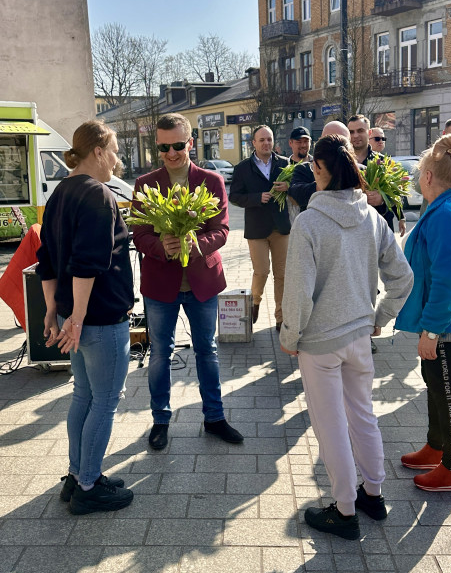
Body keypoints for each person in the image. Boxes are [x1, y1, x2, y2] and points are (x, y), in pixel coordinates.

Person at [280, 135, 414, 539]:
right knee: (363, 415)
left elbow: (298, 291)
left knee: (330, 425)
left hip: (319, 343)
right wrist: (380, 316)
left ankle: (344, 510)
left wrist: (290, 334)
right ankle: (373, 494)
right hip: (359, 335)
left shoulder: (308, 222)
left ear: (319, 169)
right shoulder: (372, 217)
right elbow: (403, 277)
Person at [36, 120, 135, 515]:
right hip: (100, 320)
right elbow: (87, 264)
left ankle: (78, 475)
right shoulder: (97, 194)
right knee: (105, 401)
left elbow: (46, 261)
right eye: (113, 151)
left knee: (84, 396)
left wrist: (54, 310)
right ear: (97, 151)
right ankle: (88, 487)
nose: (117, 159)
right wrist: (75, 317)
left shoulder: (61, 191)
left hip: (77, 318)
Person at [132, 113, 243, 451]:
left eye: (178, 145)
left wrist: (198, 245)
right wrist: (160, 247)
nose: (171, 153)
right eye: (163, 147)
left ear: (190, 142)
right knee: (160, 354)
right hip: (161, 285)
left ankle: (214, 417)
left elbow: (221, 230)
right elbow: (138, 234)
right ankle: (160, 420)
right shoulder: (145, 184)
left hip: (202, 283)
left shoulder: (211, 181)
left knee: (207, 351)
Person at [395, 133, 451, 492]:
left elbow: (448, 279)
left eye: (419, 173)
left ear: (428, 176)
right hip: (441, 318)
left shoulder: (446, 212)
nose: (416, 180)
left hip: (444, 322)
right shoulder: (447, 205)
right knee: (435, 385)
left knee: (446, 391)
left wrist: (431, 331)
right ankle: (436, 446)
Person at [229, 125, 291, 330]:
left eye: (269, 139)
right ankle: (256, 301)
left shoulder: (285, 163)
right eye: (262, 140)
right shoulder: (242, 168)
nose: (266, 143)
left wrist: (289, 187)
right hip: (257, 228)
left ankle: (280, 318)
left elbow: (297, 187)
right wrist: (257, 198)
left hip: (281, 227)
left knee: (281, 274)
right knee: (262, 271)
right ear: (253, 143)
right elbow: (234, 197)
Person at [348, 114, 406, 237]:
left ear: (369, 133)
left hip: (381, 230)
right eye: (351, 132)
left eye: (360, 131)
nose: (355, 135)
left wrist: (382, 198)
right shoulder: (342, 162)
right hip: (352, 231)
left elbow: (397, 195)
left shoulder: (384, 162)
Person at [288, 120, 349, 213]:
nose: (335, 146)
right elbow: (295, 194)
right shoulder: (306, 169)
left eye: (342, 141)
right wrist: (322, 184)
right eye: (330, 140)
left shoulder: (359, 170)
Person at [286, 126, 313, 224]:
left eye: (306, 141)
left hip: (312, 222)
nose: (303, 145)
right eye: (299, 142)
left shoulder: (318, 166)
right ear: (290, 143)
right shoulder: (283, 165)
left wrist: (288, 187)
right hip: (288, 225)